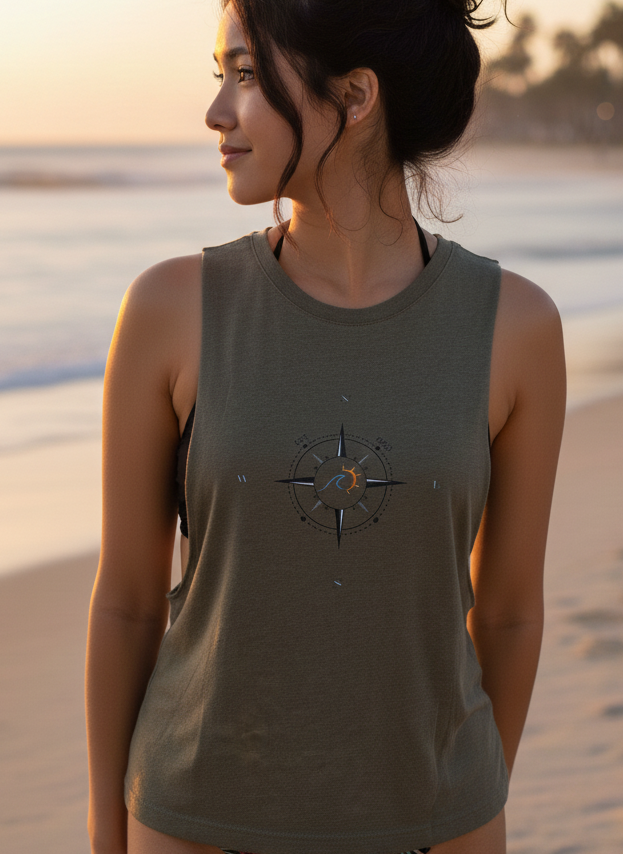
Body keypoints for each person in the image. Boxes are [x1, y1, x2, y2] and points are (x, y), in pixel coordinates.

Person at [85, 0, 566, 852]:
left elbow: (510, 614)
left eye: (244, 75)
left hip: (434, 827)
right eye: (218, 76)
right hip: (196, 818)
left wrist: (466, 788)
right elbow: (126, 603)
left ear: (353, 96)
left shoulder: (513, 328)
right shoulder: (170, 309)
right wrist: (103, 828)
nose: (216, 111)